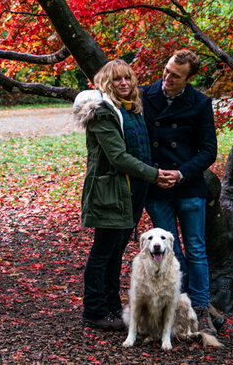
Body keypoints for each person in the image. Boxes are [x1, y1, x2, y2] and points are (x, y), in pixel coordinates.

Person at [73, 59, 178, 331]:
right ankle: (94, 310)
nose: (123, 83)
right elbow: (118, 157)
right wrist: (155, 175)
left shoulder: (133, 110)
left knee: (116, 251)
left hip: (131, 192)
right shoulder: (102, 112)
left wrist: (154, 174)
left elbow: (141, 151)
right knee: (103, 252)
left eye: (127, 78)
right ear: (106, 82)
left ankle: (111, 307)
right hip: (110, 192)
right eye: (117, 79)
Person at [140, 49, 219, 338]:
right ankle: (183, 304)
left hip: (188, 185)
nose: (167, 78)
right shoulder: (143, 95)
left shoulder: (199, 103)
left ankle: (200, 306)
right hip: (156, 184)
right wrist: (153, 173)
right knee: (169, 250)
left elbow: (209, 149)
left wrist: (181, 173)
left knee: (196, 248)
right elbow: (135, 140)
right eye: (166, 70)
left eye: (175, 75)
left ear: (188, 78)